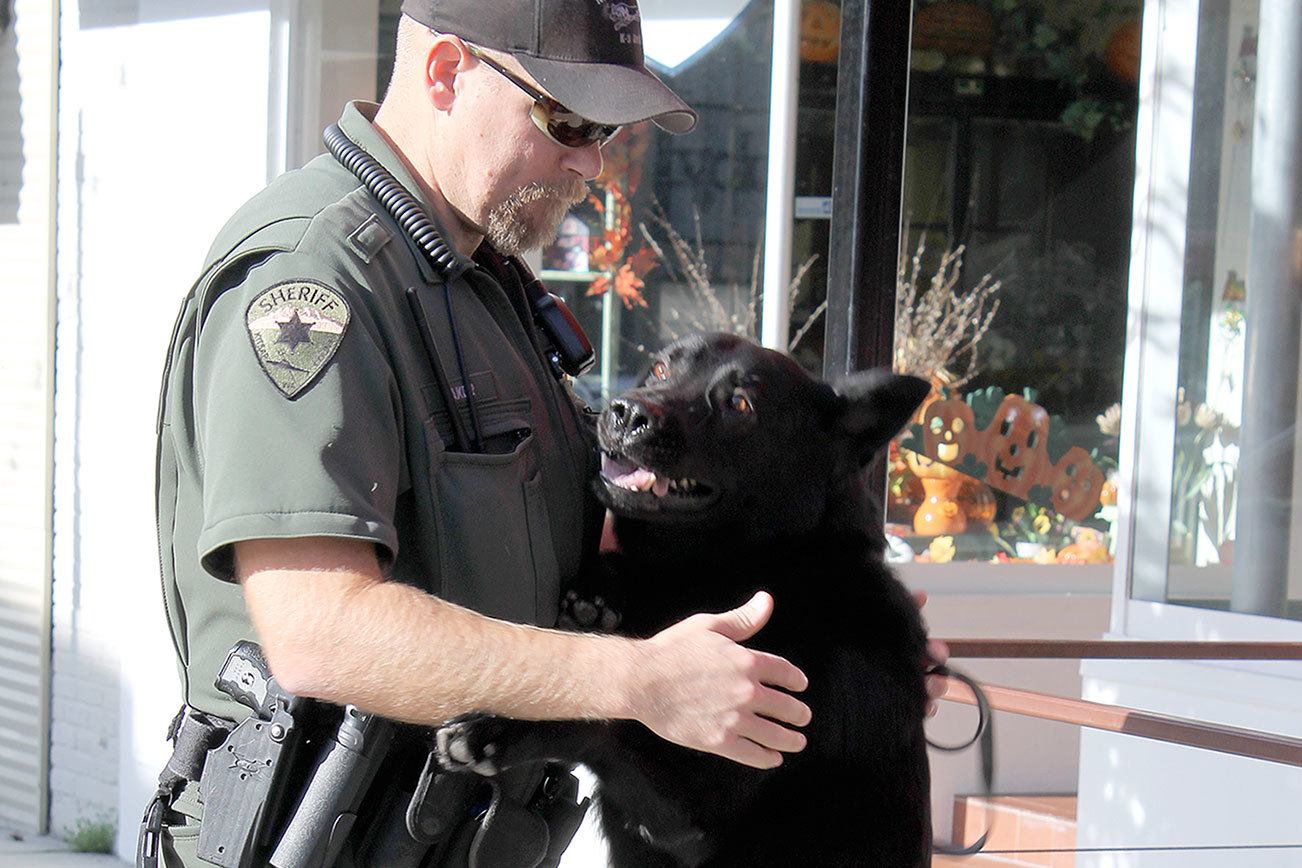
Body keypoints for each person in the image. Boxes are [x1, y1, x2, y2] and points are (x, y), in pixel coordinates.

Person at [144, 1, 948, 865]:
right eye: (564, 119)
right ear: (446, 71)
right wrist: (633, 683)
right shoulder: (317, 280)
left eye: (602, 130)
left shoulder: (481, 286)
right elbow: (316, 630)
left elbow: (564, 545)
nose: (591, 162)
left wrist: (829, 655)